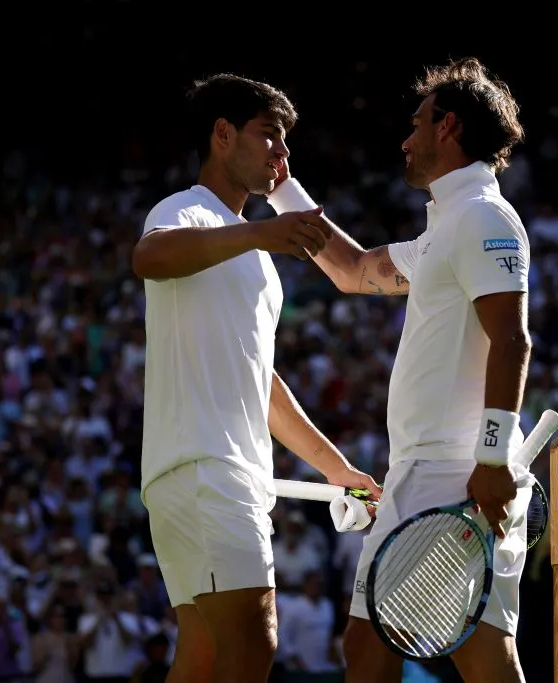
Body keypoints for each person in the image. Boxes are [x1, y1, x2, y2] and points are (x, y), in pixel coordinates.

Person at [267, 57, 531, 682]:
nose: (405, 138)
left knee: (449, 652)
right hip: (425, 471)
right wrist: (280, 189)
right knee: (388, 650)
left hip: (458, 472)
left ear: (450, 128)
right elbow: (354, 270)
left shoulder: (486, 219)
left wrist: (492, 461)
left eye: (417, 122)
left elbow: (512, 342)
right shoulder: (446, 226)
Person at [130, 73, 381, 683]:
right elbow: (149, 257)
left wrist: (335, 468)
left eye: (285, 142)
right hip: (205, 469)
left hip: (206, 474)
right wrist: (258, 233)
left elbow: (261, 384)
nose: (282, 156)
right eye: (269, 136)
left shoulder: (262, 265)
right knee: (254, 638)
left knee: (205, 655)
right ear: (222, 135)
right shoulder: (185, 210)